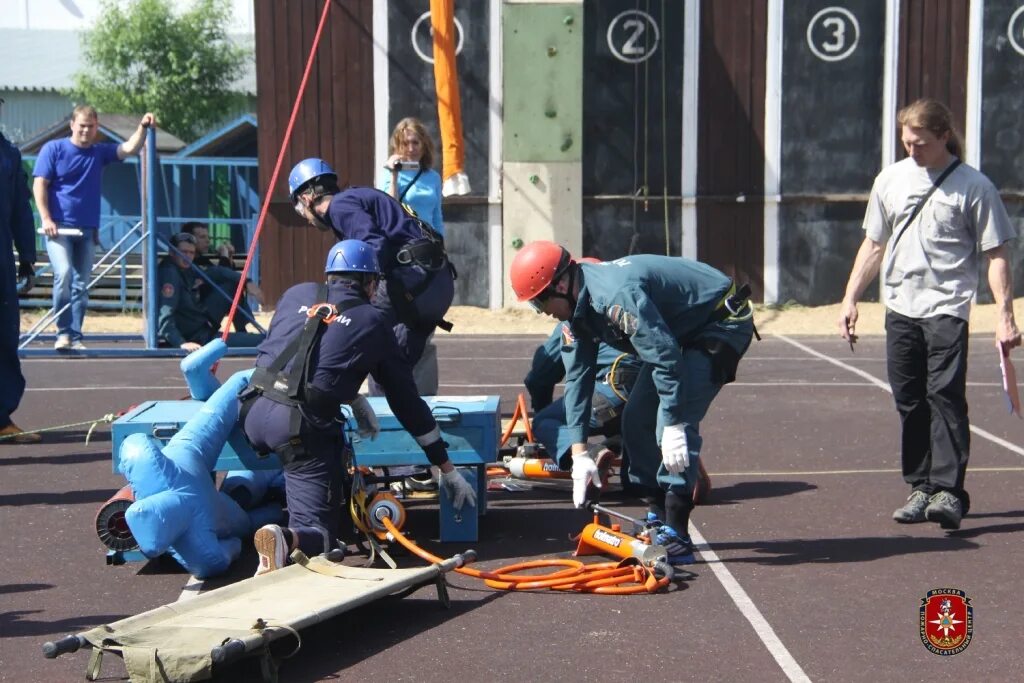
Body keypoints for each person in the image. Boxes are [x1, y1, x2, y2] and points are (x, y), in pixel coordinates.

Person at [238, 239, 476, 574]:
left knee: (314, 447)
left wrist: (351, 396)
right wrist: (446, 468)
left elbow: (305, 354)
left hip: (252, 410)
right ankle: (283, 537)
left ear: (330, 275)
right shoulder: (373, 320)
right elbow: (406, 402)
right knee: (323, 537)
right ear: (371, 283)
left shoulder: (295, 293)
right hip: (295, 428)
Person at [837, 98, 1020, 531]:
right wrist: (850, 298)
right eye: (906, 143)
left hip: (947, 307)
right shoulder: (891, 180)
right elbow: (874, 246)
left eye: (920, 143)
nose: (912, 151)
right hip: (900, 306)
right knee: (909, 400)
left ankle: (949, 492)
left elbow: (996, 254)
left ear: (943, 136)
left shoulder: (974, 186)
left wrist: (1005, 315)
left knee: (945, 396)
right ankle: (920, 486)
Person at [510, 241, 754, 564]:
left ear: (562, 284)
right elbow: (577, 383)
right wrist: (580, 453)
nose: (543, 313)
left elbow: (666, 359)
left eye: (540, 303)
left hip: (720, 321)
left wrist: (675, 424)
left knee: (672, 422)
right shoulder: (576, 314)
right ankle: (656, 512)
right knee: (636, 419)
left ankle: (678, 531)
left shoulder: (614, 297)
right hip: (679, 332)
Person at [287, 158, 456, 386]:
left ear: (306, 198)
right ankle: (409, 416)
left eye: (299, 211)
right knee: (393, 371)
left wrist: (348, 300)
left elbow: (374, 245)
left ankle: (317, 396)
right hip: (437, 284)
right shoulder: (358, 198)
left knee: (345, 330)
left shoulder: (340, 206)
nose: (306, 220)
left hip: (411, 280)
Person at [32, 106, 154, 351]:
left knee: (81, 283)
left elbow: (129, 148)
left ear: (96, 127)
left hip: (87, 230)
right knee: (64, 273)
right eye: (81, 125)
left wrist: (142, 127)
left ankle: (75, 336)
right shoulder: (54, 149)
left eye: (90, 126)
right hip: (59, 229)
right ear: (72, 125)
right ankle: (63, 332)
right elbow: (39, 184)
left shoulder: (99, 153)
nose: (85, 130)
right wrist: (46, 218)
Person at [379, 117, 445, 396]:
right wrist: (394, 174)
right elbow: (388, 208)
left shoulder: (432, 176)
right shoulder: (387, 174)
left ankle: (424, 393)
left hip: (427, 254)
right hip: (399, 254)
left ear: (424, 144)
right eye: (405, 143)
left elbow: (437, 215)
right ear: (397, 145)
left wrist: (442, 249)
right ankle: (388, 390)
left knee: (425, 323)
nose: (410, 148)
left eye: (415, 142)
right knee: (393, 323)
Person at [0, 98, 40, 443]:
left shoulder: (8, 154)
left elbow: (20, 210)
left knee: (4, 337)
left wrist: (27, 256)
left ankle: (1, 418)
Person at [156, 232, 263, 353]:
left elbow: (216, 272)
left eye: (191, 253)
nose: (187, 256)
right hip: (198, 338)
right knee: (262, 340)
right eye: (183, 252)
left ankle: (242, 332)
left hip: (202, 325)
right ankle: (245, 337)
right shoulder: (170, 273)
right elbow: (164, 316)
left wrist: (246, 281)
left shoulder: (185, 268)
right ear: (172, 253)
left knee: (231, 284)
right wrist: (181, 343)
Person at [180, 221, 264, 332]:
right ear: (190, 240)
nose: (208, 240)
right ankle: (243, 330)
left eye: (208, 237)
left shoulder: (202, 259)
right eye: (202, 237)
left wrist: (228, 258)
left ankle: (243, 329)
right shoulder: (186, 263)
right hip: (197, 322)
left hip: (204, 313)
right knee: (232, 286)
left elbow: (224, 278)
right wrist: (224, 259)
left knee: (232, 285)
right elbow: (215, 275)